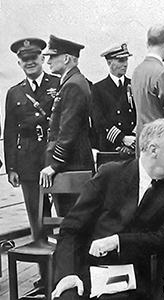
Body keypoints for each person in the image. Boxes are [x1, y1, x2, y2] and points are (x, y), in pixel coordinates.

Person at [50, 118, 164, 300]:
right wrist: (68, 274)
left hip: (134, 276)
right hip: (89, 270)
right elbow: (71, 228)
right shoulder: (110, 174)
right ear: (153, 150)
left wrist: (118, 241)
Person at [3, 37, 59, 288]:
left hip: (56, 159)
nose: (30, 63)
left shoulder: (58, 85)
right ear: (19, 63)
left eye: (34, 59)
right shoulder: (14, 92)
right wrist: (11, 168)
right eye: (25, 61)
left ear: (42, 59)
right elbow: (10, 131)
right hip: (27, 164)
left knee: (65, 213)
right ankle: (44, 275)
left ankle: (66, 269)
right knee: (37, 219)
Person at [40, 35, 94, 216]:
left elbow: (68, 132)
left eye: (52, 57)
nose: (47, 62)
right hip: (72, 163)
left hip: (71, 165)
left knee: (71, 218)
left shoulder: (73, 85)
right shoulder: (73, 82)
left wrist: (54, 165)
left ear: (66, 58)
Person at [91, 42, 136, 153]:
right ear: (109, 62)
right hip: (110, 147)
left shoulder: (133, 85)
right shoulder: (98, 89)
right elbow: (99, 121)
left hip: (133, 146)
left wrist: (133, 140)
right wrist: (122, 138)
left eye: (126, 60)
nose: (125, 64)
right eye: (121, 60)